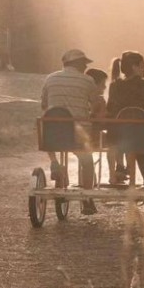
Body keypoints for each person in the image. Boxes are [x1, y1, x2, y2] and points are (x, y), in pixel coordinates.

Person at [41, 49, 101, 215]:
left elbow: (44, 105)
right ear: (79, 64)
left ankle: (54, 161)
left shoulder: (50, 78)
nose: (85, 67)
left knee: (51, 131)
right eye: (84, 63)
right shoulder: (87, 80)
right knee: (87, 161)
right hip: (77, 132)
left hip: (54, 132)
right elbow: (96, 105)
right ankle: (87, 199)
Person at [107, 51, 144, 188]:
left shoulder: (115, 86)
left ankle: (120, 169)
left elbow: (110, 108)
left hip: (119, 136)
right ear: (134, 67)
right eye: (142, 65)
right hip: (141, 136)